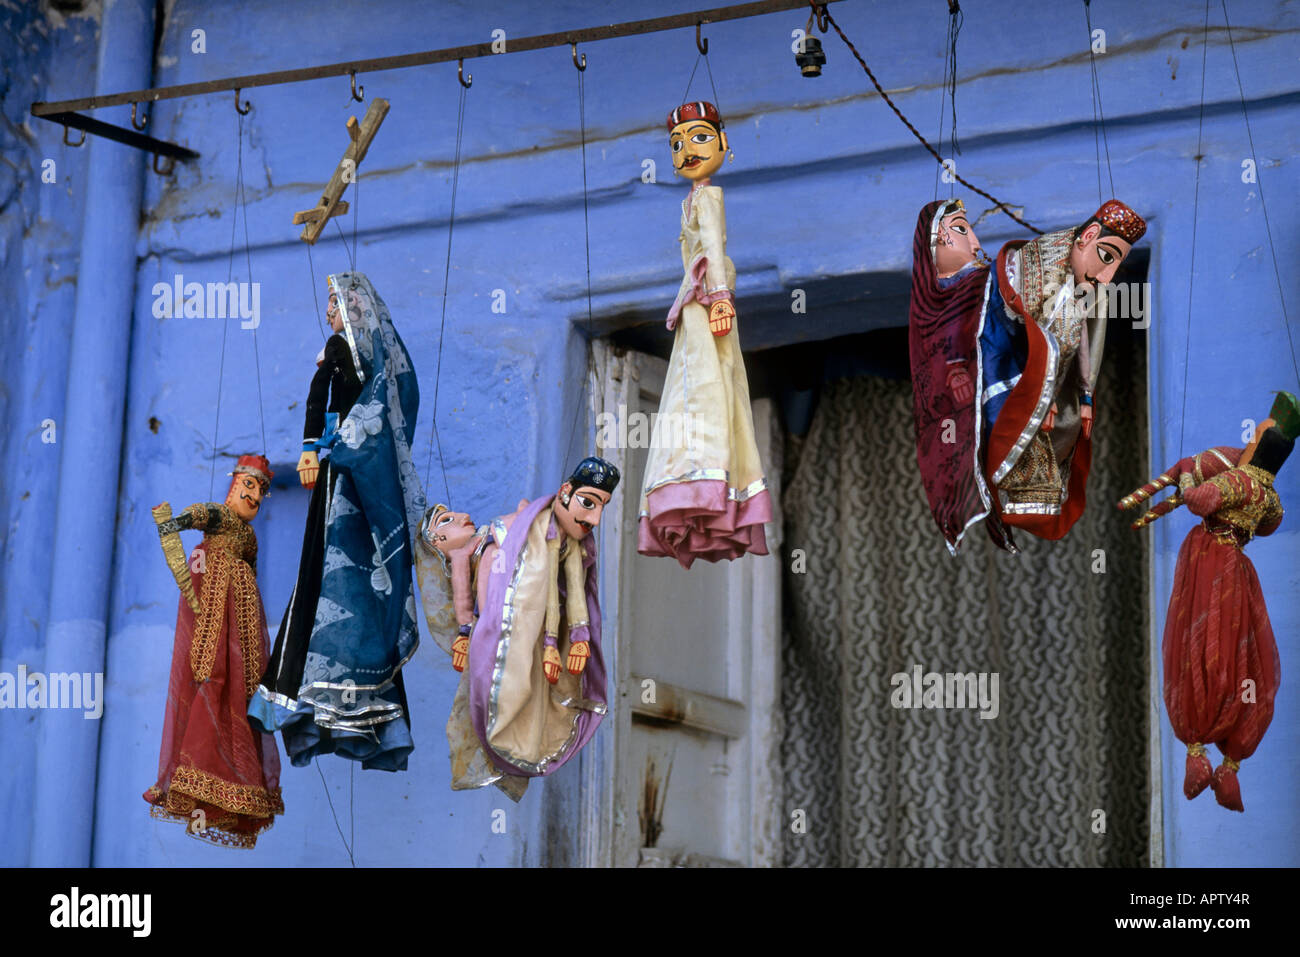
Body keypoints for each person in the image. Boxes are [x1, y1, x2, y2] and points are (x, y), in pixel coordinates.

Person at [248, 272, 426, 772]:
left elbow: (383, 409)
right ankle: (327, 695)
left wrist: (332, 448)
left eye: (335, 304)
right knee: (327, 574)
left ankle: (354, 697)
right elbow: (323, 400)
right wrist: (316, 448)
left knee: (349, 577)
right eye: (328, 305)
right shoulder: (349, 353)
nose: (328, 313)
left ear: (355, 309)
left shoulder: (365, 354)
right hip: (347, 470)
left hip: (356, 475)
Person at [1121, 391, 1295, 811]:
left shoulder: (1239, 479)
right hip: (1237, 567)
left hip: (1208, 560)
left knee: (1198, 645)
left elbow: (1201, 501)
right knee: (1238, 653)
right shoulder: (1272, 499)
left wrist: (1186, 482)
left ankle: (1196, 747)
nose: (1251, 435)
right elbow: (1270, 527)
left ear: (1261, 448)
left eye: (1258, 435)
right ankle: (1228, 764)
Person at [637, 101, 772, 568]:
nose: (686, 150)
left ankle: (702, 479)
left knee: (707, 385)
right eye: (677, 144)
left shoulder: (709, 199)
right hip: (697, 305)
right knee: (703, 387)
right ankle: (701, 482)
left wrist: (718, 297)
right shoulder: (693, 198)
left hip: (706, 304)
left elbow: (712, 247)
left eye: (698, 138)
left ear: (723, 143)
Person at [980, 199, 1146, 540]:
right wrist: (1042, 397)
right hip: (1007, 357)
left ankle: (1037, 501)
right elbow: (1038, 337)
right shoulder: (1041, 261)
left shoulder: (1088, 289)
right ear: (1088, 236)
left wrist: (1085, 396)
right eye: (1106, 256)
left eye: (1117, 264)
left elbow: (1083, 338)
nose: (1107, 275)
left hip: (1054, 378)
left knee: (1067, 429)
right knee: (1007, 424)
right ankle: (1005, 493)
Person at [144, 454, 283, 848]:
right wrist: (175, 525)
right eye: (250, 485)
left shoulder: (249, 539)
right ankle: (200, 781)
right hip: (213, 622)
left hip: (244, 626)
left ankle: (235, 789)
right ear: (235, 482)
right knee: (211, 683)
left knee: (241, 698)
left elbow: (251, 571)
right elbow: (199, 514)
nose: (255, 496)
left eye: (261, 490)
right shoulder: (220, 517)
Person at [467, 457, 619, 779]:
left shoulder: (575, 548)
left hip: (544, 638)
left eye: (601, 507)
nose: (594, 519)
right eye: (588, 502)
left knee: (544, 696)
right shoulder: (523, 537)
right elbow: (536, 587)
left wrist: (579, 638)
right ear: (565, 491)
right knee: (510, 675)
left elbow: (573, 591)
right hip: (515, 625)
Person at [907, 198, 1013, 554]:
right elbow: (934, 368)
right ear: (934, 240)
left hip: (1002, 389)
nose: (976, 243)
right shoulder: (925, 309)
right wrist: (953, 372)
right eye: (961, 230)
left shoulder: (991, 282)